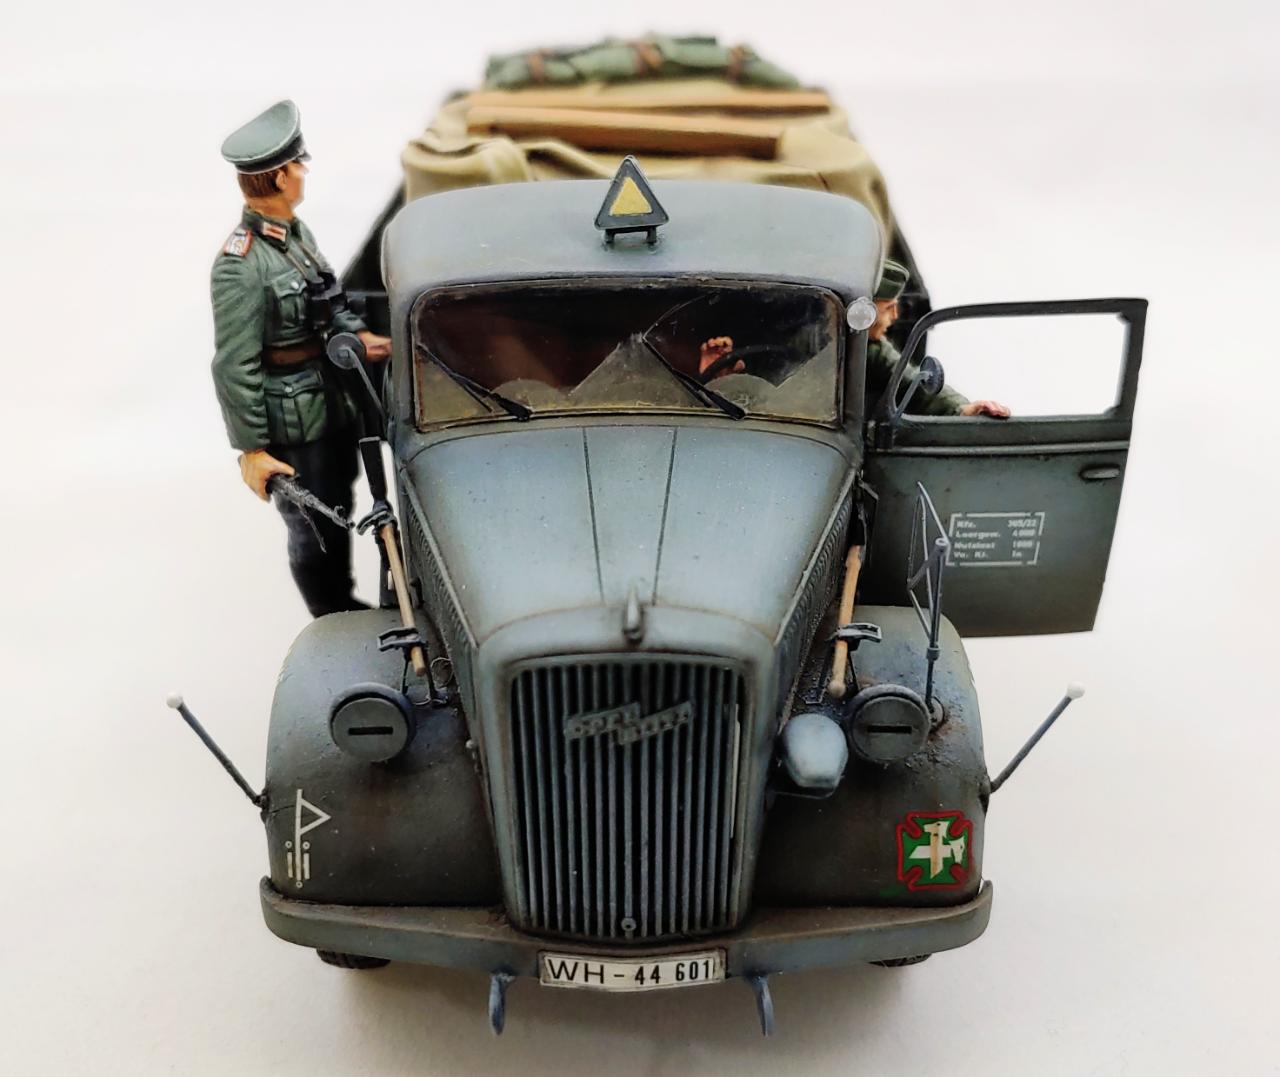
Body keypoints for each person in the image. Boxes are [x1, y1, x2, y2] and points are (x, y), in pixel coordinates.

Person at [210, 100, 392, 616]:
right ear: (278, 177)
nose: (303, 173)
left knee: (342, 500)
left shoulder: (296, 236)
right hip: (292, 419)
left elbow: (329, 302)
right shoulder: (241, 265)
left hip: (330, 399)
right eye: (297, 166)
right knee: (314, 525)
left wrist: (363, 339)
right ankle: (330, 614)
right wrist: (252, 449)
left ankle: (345, 600)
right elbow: (234, 365)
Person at [866, 260, 1010, 418]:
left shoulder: (874, 350)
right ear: (865, 311)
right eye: (888, 308)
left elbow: (909, 380)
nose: (895, 316)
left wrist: (962, 409)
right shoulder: (864, 347)